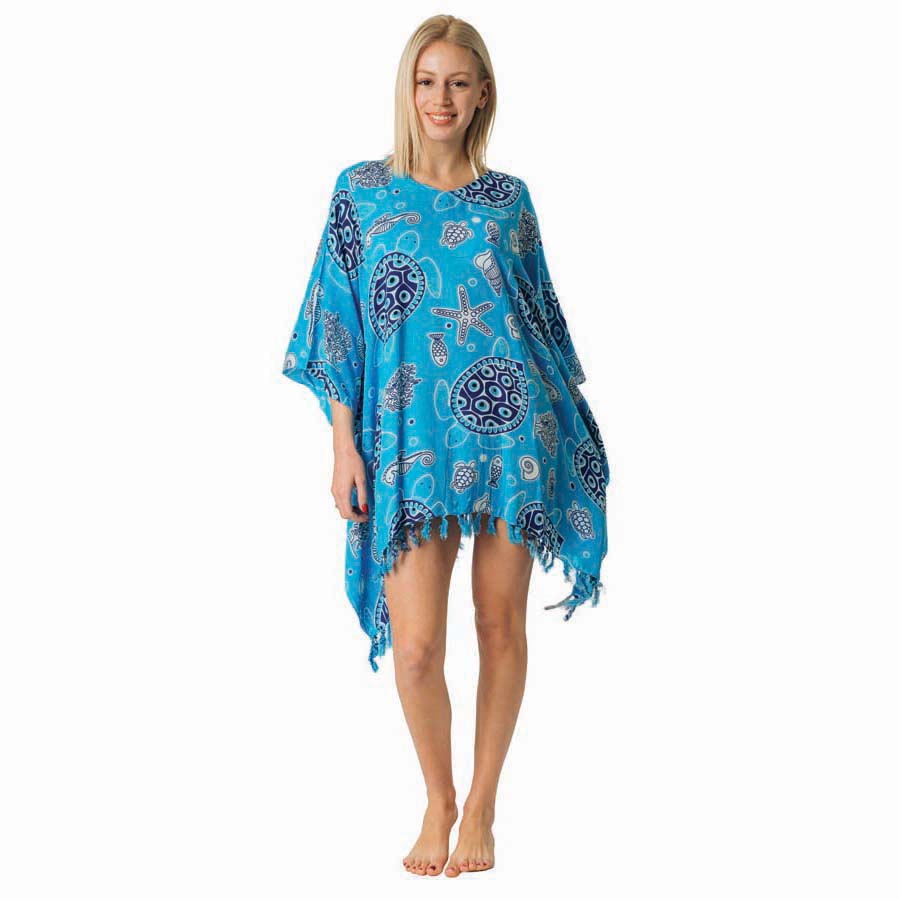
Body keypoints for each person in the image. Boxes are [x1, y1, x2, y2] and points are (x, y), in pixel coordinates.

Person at [282, 14, 610, 878]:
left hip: (513, 438)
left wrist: (572, 428)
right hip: (407, 440)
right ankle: (439, 797)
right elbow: (337, 327)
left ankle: (484, 807)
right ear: (407, 88)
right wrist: (343, 445)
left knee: (499, 625)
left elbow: (539, 321)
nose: (441, 98)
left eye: (458, 83)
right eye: (427, 81)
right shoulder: (361, 193)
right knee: (419, 646)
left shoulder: (510, 201)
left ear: (482, 95)